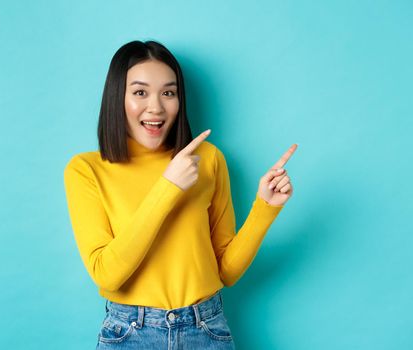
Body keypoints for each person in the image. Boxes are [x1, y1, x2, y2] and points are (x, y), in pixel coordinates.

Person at [63, 40, 297, 349]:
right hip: (131, 333)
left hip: (205, 328)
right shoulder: (86, 169)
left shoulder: (209, 160)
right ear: (117, 97)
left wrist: (265, 207)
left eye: (168, 93)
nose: (156, 107)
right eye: (140, 92)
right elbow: (107, 275)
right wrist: (168, 186)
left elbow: (225, 271)